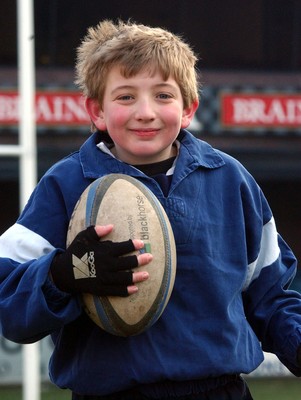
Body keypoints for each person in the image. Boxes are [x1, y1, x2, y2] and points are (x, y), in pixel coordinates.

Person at [0, 19, 300, 400]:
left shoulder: (230, 179)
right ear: (97, 111)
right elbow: (7, 299)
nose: (145, 112)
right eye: (125, 97)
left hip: (221, 391)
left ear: (189, 108)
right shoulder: (66, 183)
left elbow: (270, 295)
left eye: (163, 95)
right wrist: (65, 273)